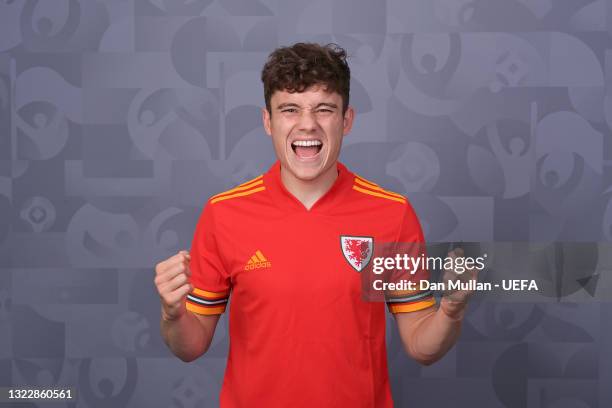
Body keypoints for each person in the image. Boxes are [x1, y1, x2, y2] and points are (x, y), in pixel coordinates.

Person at [154, 42, 475, 407]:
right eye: (289, 110)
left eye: (324, 109)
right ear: (267, 121)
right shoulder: (223, 213)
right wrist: (172, 314)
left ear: (346, 120)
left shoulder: (392, 214)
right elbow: (191, 346)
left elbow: (421, 345)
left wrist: (450, 312)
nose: (307, 124)